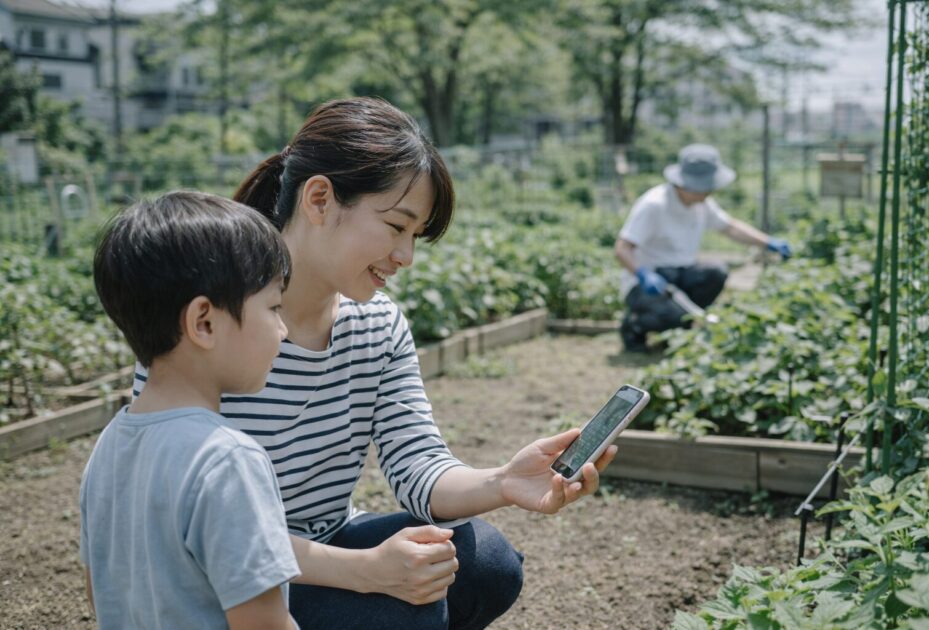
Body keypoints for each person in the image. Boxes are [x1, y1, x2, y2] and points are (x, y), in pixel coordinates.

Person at [132, 97, 616, 630]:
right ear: (319, 199)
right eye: (396, 226)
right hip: (224, 582)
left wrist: (503, 481)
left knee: (482, 563)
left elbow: (417, 466)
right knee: (398, 609)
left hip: (321, 547)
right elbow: (195, 528)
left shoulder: (376, 325)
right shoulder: (210, 324)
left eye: (416, 236)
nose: (406, 255)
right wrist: (365, 572)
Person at [81, 192, 300, 629]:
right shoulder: (227, 460)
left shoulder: (107, 448)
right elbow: (263, 623)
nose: (284, 328)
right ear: (204, 322)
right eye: (274, 307)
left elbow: (99, 592)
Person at [615, 143, 793, 352]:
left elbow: (730, 227)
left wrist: (768, 242)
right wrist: (642, 274)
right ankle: (634, 325)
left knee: (715, 273)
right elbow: (622, 248)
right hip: (649, 282)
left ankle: (677, 326)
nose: (709, 192)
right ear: (684, 184)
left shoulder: (702, 203)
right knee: (675, 316)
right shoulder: (654, 205)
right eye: (705, 188)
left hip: (681, 273)